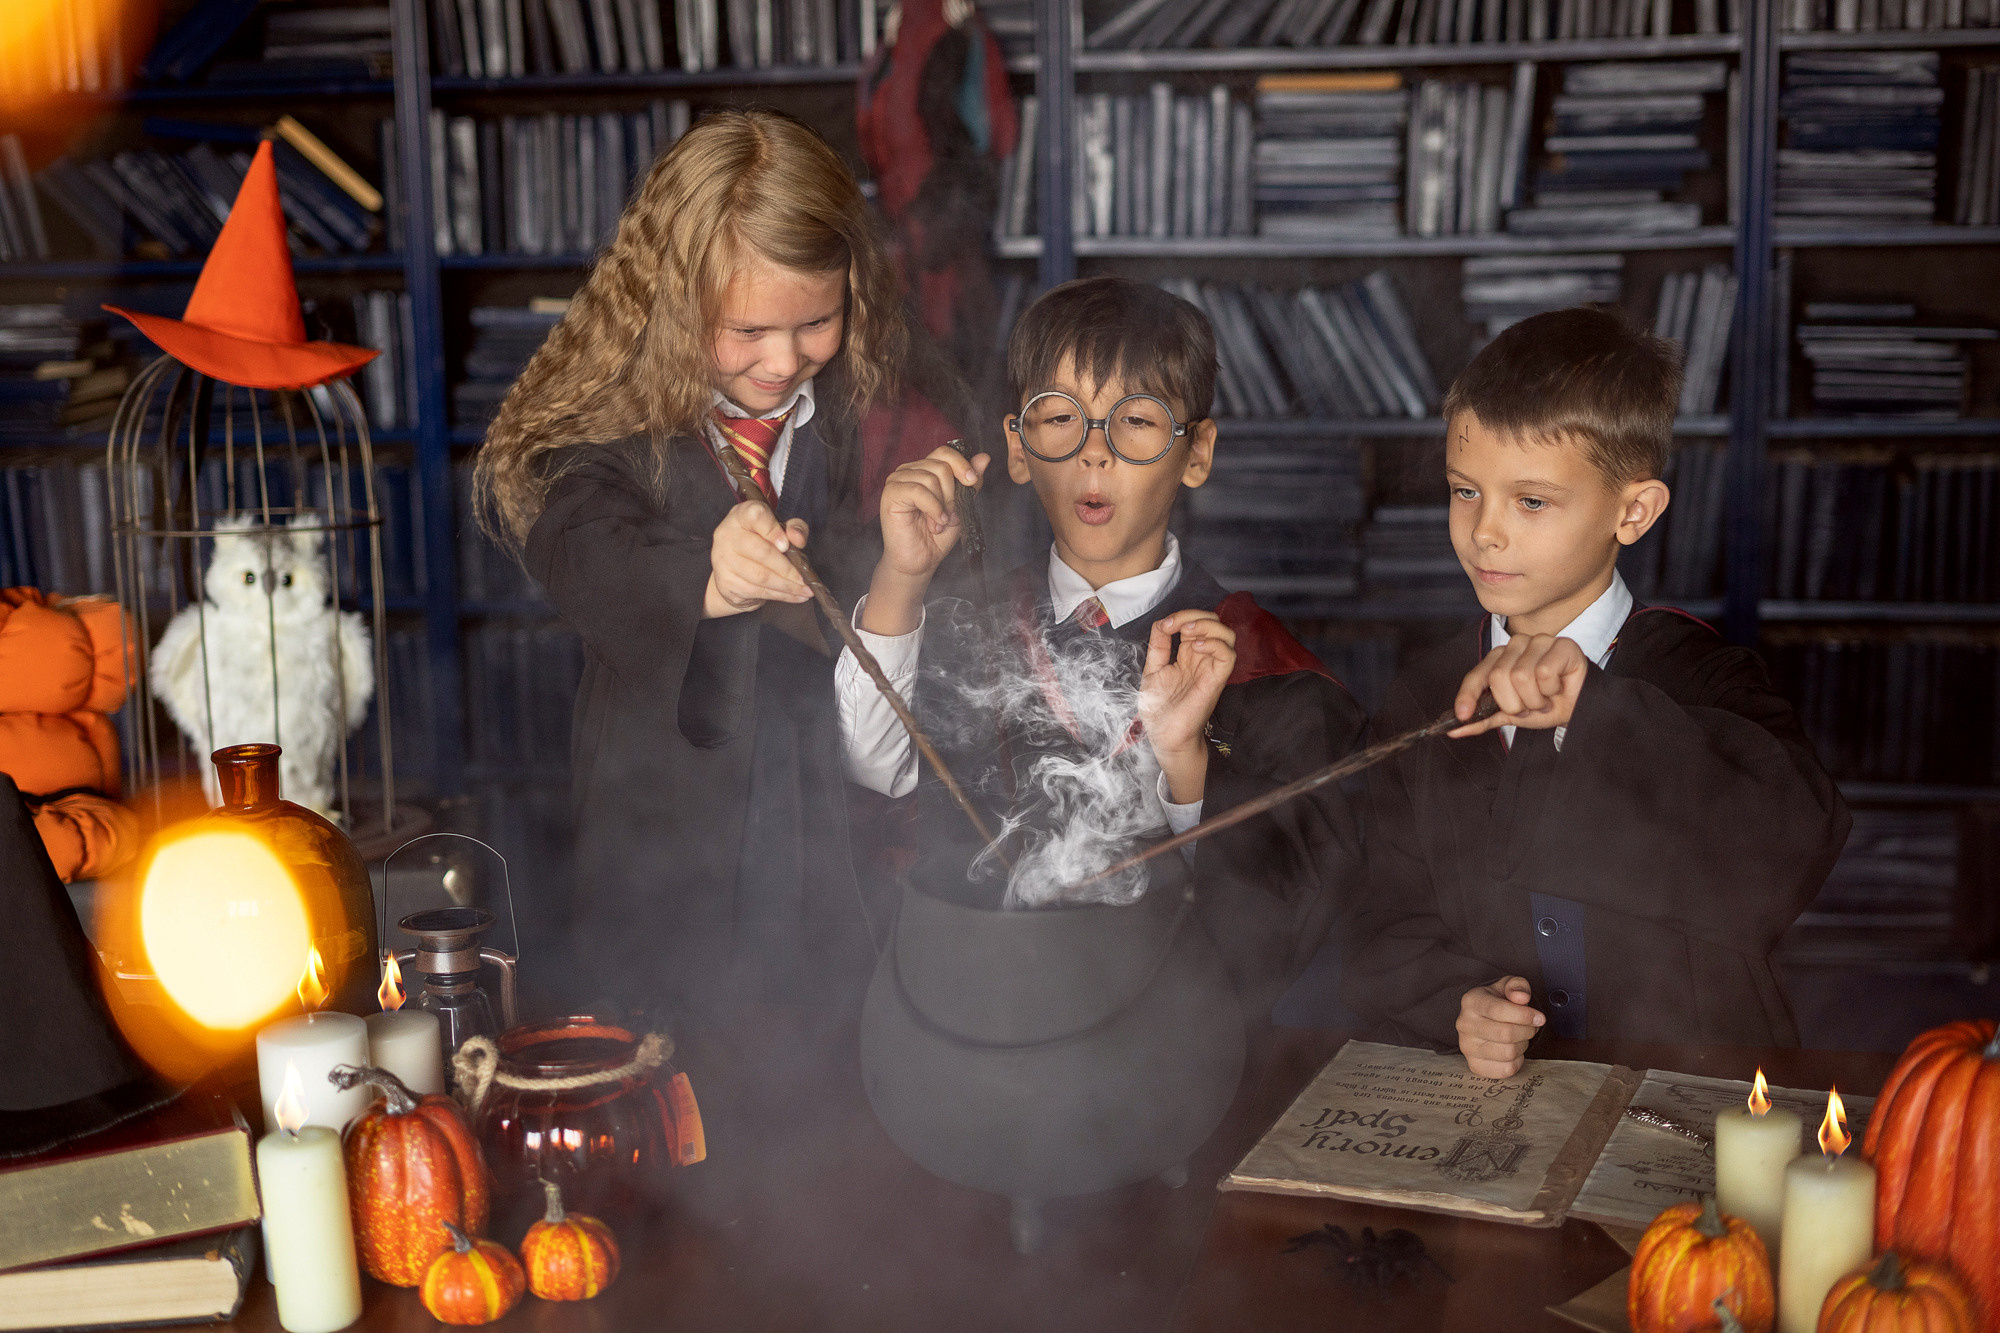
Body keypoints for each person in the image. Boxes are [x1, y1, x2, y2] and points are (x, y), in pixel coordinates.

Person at [474, 109, 963, 1025]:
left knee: (824, 1076)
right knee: (667, 1092)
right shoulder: (616, 422)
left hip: (827, 834)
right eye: (745, 331)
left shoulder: (868, 410)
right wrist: (711, 577)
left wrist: (911, 553)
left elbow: (885, 625)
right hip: (663, 842)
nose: (783, 362)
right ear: (672, 299)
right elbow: (574, 545)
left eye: (815, 321)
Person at [837, 276, 1366, 1019]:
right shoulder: (962, 628)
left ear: (1197, 452)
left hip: (1162, 1055)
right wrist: (901, 577)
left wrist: (1187, 768)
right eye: (1060, 419)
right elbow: (870, 783)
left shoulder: (1265, 671)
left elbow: (1289, 923)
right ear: (1017, 449)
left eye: (1138, 420)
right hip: (968, 1031)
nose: (1095, 454)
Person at [1342, 306, 1850, 1078]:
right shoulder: (1426, 696)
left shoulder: (1703, 675)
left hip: (1687, 1102)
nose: (1486, 532)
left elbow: (1793, 845)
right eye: (1464, 490)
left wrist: (1595, 708)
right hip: (1505, 1111)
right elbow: (1385, 920)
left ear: (1633, 511)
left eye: (1532, 501)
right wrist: (1460, 1002)